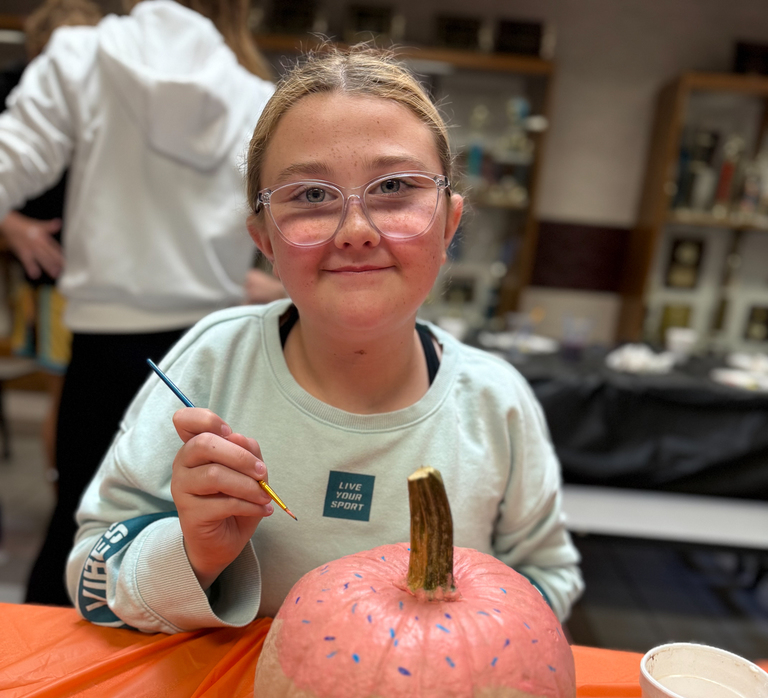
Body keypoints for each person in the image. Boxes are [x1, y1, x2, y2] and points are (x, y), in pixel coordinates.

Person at [65, 45, 584, 633]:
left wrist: (473, 640)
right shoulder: (213, 366)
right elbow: (92, 578)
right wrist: (194, 552)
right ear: (263, 237)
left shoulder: (497, 404)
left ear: (449, 223)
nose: (356, 231)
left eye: (394, 188)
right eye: (311, 196)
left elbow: (549, 575)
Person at [0, 0, 274, 606]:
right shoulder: (255, 96)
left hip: (105, 353)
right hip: (213, 357)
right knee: (194, 538)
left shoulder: (80, 56)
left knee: (80, 531)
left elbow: (8, 165)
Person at [1, 0, 103, 476]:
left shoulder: (111, 102)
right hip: (52, 278)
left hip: (97, 275)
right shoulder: (17, 95)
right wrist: (11, 226)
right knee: (70, 398)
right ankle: (65, 496)